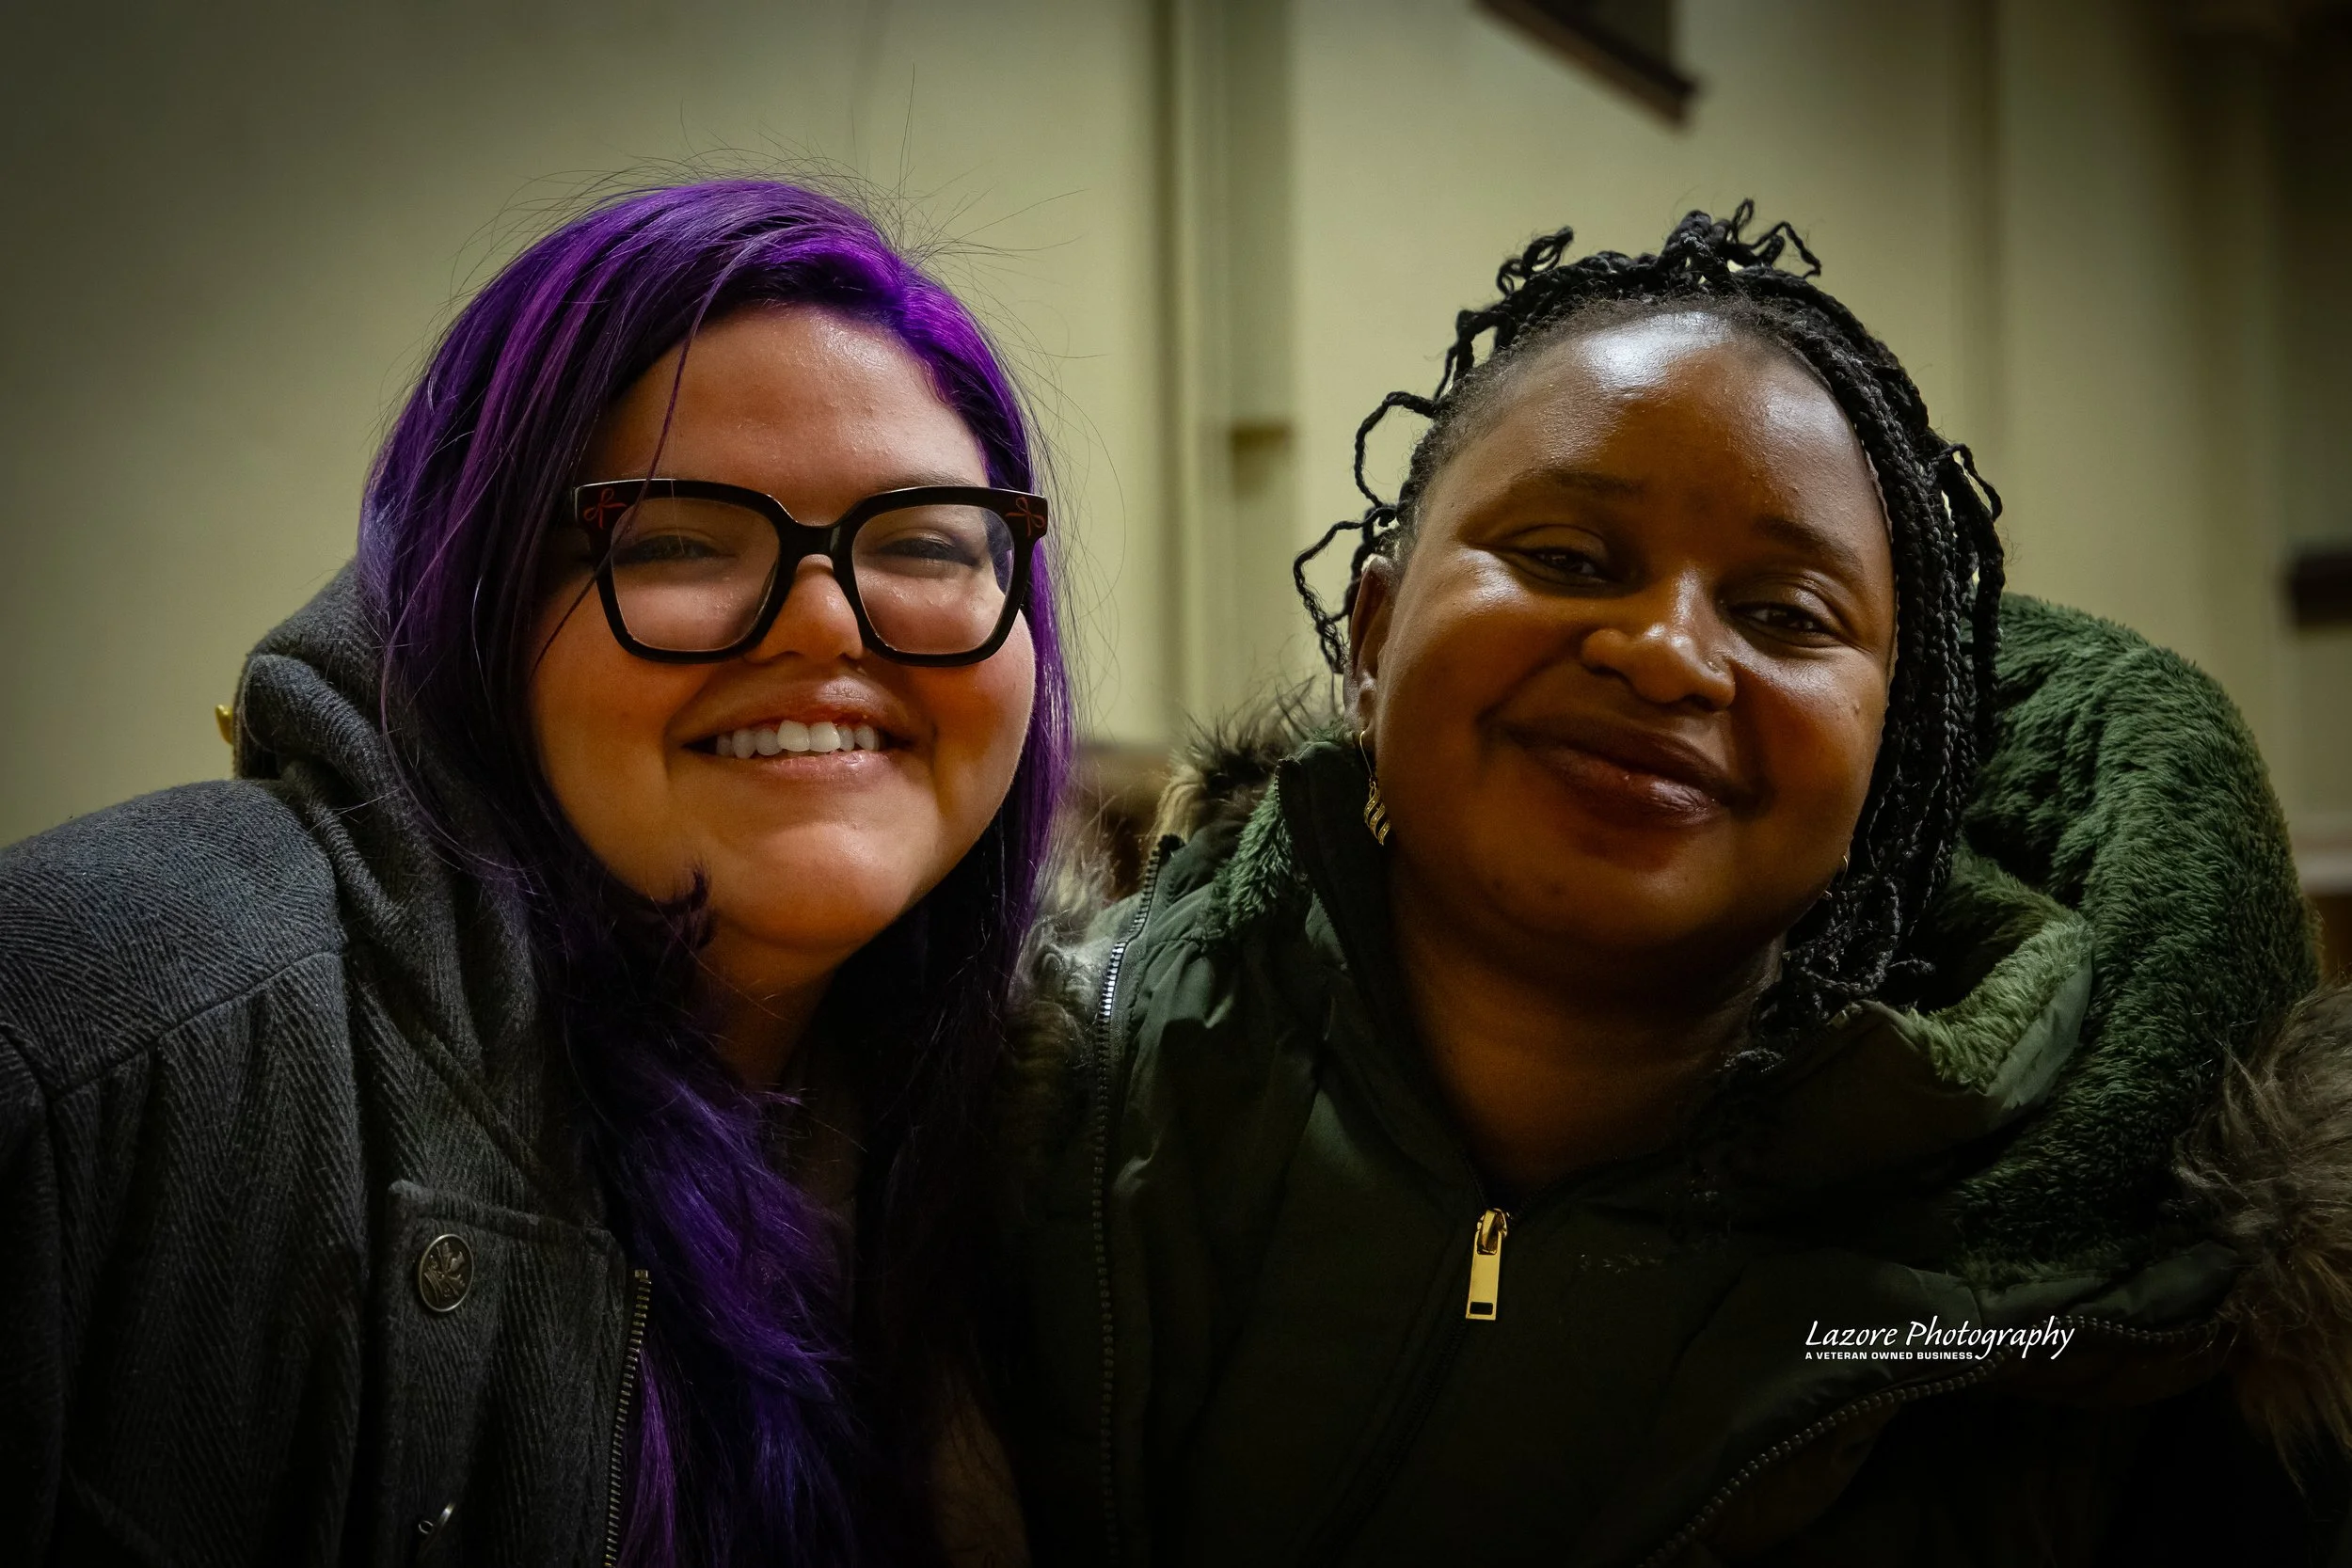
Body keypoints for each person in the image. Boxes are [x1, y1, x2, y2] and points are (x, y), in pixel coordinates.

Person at [1006, 208, 2351, 1564]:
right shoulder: (1022, 1103)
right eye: (1568, 559)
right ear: (1370, 641)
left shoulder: (2108, 1315)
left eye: (1784, 615)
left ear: (1892, 764)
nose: (1665, 654)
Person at [0, 181, 1069, 1567]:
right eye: (678, 537)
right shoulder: (101, 1035)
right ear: (480, 603)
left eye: (924, 541)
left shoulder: (1067, 1140)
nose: (820, 620)